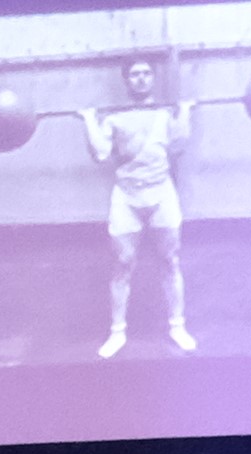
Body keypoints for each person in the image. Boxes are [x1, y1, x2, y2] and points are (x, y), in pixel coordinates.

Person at [78, 57, 195, 359]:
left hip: (161, 194)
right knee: (123, 263)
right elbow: (100, 154)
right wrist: (89, 120)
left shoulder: (165, 114)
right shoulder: (114, 118)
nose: (141, 79)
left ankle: (177, 327)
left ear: (152, 79)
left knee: (170, 260)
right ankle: (117, 332)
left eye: (146, 73)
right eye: (134, 74)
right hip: (127, 197)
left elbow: (179, 147)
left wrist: (184, 112)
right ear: (127, 81)